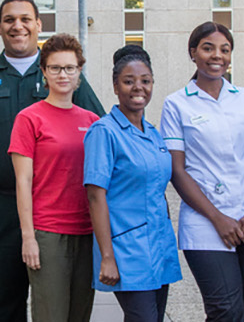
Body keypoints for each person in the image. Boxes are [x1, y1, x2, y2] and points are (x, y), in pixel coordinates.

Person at [0, 0, 104, 321]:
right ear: (0, 27)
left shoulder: (61, 72)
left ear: (38, 25)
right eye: (9, 20)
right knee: (6, 301)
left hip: (56, 208)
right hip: (1, 209)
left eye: (25, 19)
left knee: (58, 305)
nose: (18, 26)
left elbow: (100, 131)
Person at [159, 21, 244, 322]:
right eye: (208, 48)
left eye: (224, 50)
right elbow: (177, 169)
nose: (217, 56)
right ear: (193, 53)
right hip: (206, 223)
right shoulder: (176, 104)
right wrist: (217, 218)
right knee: (225, 310)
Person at [84, 44, 181, 322]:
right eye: (129, 81)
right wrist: (106, 257)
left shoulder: (153, 133)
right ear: (116, 86)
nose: (138, 87)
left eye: (145, 81)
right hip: (127, 251)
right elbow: (95, 197)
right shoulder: (104, 132)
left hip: (159, 246)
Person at [8, 34, 101, 322]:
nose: (63, 74)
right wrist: (28, 238)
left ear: (79, 73)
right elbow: (22, 182)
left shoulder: (92, 121)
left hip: (87, 233)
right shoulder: (29, 118)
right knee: (51, 316)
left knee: (80, 315)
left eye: (70, 68)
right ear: (44, 72)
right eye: (55, 68)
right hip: (48, 234)